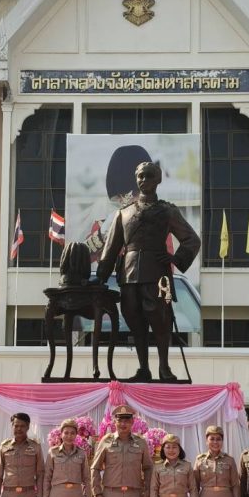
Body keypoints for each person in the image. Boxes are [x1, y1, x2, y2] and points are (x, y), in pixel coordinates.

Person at [94, 161, 200, 382]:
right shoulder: (123, 214)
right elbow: (110, 248)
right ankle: (143, 368)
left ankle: (164, 367)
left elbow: (192, 239)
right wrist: (101, 277)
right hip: (129, 275)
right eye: (140, 176)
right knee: (134, 320)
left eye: (149, 176)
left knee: (160, 320)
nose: (144, 180)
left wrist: (176, 258)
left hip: (157, 274)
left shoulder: (168, 211)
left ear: (158, 179)